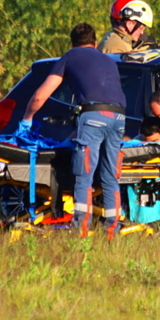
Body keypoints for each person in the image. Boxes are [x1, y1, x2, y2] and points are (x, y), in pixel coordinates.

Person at [23, 22, 127, 239]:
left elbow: (42, 95)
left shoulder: (70, 56)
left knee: (84, 175)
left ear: (73, 43)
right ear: (95, 43)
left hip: (93, 117)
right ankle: (112, 233)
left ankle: (80, 232)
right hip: (119, 117)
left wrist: (27, 119)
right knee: (110, 176)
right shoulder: (109, 60)